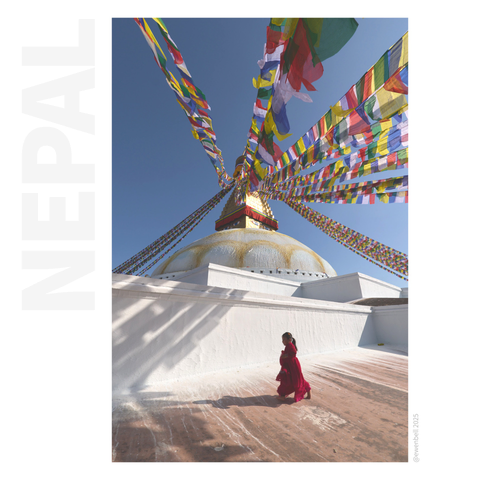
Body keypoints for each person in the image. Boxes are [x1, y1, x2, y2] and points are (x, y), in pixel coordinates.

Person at [276, 332, 311, 402]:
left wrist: (285, 355)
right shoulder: (288, 346)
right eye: (282, 340)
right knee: (292, 380)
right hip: (290, 366)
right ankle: (308, 392)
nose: (282, 341)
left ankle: (283, 396)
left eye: (284, 339)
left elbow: (294, 353)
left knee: (295, 380)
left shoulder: (290, 346)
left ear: (289, 340)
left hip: (293, 366)